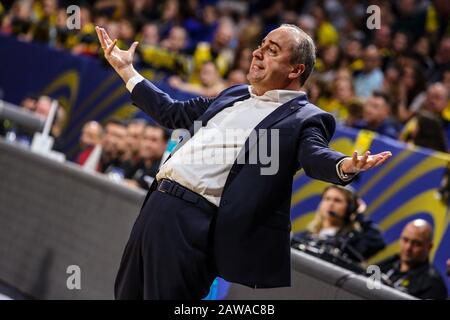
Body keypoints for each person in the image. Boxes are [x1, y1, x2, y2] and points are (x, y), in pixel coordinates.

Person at [96, 24, 392, 300]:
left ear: (295, 69)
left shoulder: (304, 117)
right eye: (261, 45)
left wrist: (343, 166)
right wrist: (128, 71)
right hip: (157, 204)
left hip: (192, 223)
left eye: (272, 50)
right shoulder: (234, 94)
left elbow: (315, 155)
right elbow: (174, 113)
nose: (257, 52)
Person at [291, 185, 385, 263]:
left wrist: (359, 215)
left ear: (349, 208)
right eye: (327, 199)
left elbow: (377, 243)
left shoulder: (352, 240)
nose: (330, 204)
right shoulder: (305, 236)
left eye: (337, 201)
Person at [378, 219, 448, 300]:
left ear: (429, 247)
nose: (408, 248)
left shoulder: (433, 284)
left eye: (416, 244)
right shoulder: (390, 262)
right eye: (405, 240)